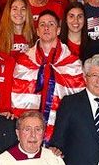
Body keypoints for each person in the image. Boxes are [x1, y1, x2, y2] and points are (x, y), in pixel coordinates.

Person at [10, 10, 85, 139]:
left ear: (58, 30)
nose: (46, 28)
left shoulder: (73, 63)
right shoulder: (24, 62)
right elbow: (17, 100)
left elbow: (79, 102)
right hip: (30, 134)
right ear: (37, 31)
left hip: (63, 133)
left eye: (51, 24)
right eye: (42, 24)